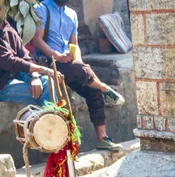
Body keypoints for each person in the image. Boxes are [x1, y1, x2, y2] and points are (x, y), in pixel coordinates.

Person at [32, 0, 124, 151]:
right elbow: (37, 41)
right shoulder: (41, 9)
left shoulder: (72, 14)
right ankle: (104, 88)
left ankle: (102, 138)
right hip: (48, 63)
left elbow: (74, 46)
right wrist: (57, 55)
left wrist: (78, 61)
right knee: (85, 76)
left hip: (69, 66)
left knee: (91, 89)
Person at [0, 4, 59, 106]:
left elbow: (25, 55)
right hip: (2, 84)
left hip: (16, 74)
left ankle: (50, 118)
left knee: (47, 82)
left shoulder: (7, 28)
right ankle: (50, 120)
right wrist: (43, 69)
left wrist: (34, 75)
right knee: (45, 91)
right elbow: (9, 61)